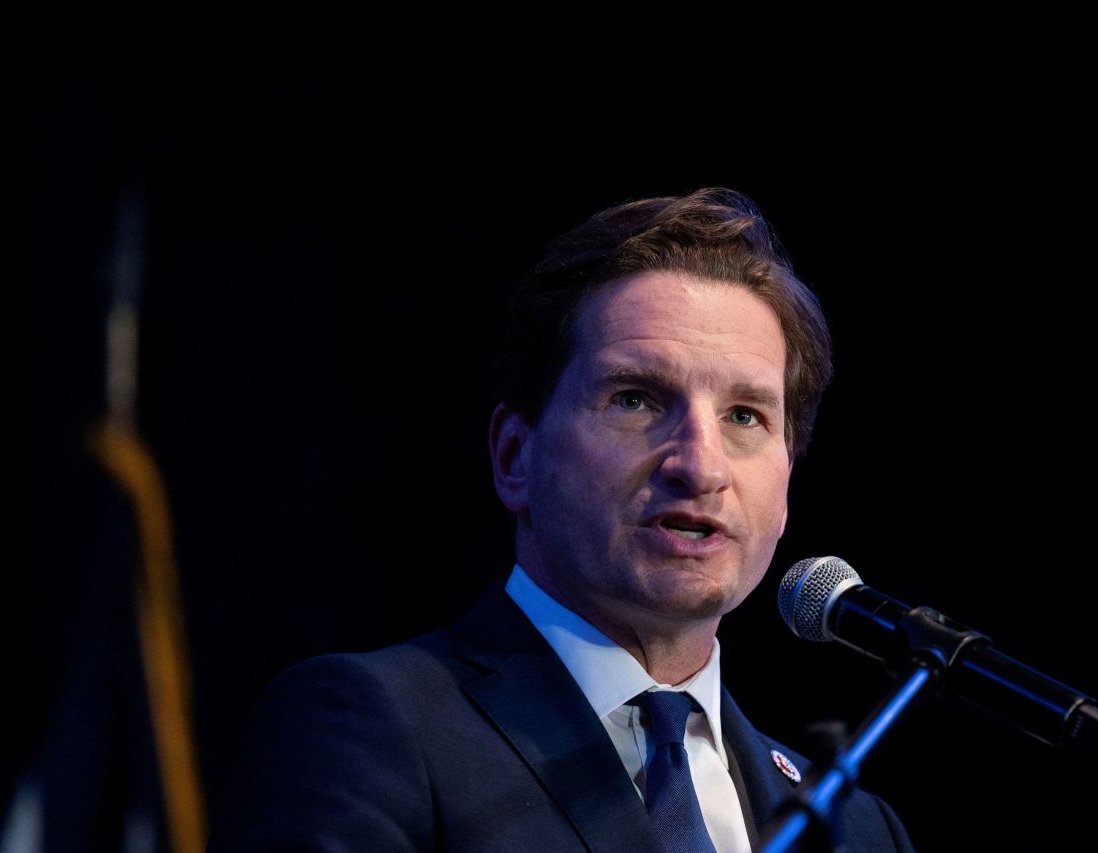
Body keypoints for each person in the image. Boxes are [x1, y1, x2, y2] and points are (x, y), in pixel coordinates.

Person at [212, 188, 915, 852]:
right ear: (516, 456)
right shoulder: (371, 729)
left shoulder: (857, 824)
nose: (700, 466)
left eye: (744, 416)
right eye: (637, 399)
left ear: (786, 481)